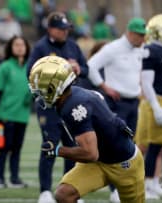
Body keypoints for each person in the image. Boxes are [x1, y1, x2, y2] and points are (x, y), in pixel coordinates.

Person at [29, 55, 145, 203]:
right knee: (64, 194)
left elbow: (90, 154)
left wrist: (57, 151)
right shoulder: (73, 94)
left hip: (124, 164)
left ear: (54, 87)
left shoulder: (73, 107)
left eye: (42, 89)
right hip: (99, 162)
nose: (39, 94)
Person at [26, 11, 89, 203]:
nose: (65, 32)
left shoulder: (73, 46)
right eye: (61, 29)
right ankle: (45, 191)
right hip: (49, 105)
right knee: (50, 144)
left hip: (70, 104)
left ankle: (69, 189)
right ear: (51, 29)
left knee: (72, 148)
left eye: (67, 28)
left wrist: (77, 68)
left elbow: (86, 69)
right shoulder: (41, 47)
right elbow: (30, 73)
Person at [87, 17, 146, 202]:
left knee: (130, 146)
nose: (143, 40)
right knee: (116, 146)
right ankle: (114, 190)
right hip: (116, 102)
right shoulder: (113, 48)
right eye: (140, 36)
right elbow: (91, 66)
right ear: (130, 33)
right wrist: (104, 86)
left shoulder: (139, 49)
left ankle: (123, 187)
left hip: (133, 102)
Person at [141, 13, 162, 199]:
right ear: (157, 32)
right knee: (155, 146)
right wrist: (155, 106)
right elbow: (146, 82)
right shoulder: (150, 50)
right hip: (160, 99)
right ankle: (148, 184)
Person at [0, 36, 31, 188]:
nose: (20, 47)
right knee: (4, 148)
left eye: (22, 44)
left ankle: (15, 179)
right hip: (6, 114)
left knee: (17, 149)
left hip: (22, 115)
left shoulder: (31, 67)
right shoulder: (5, 66)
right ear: (11, 47)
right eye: (16, 44)